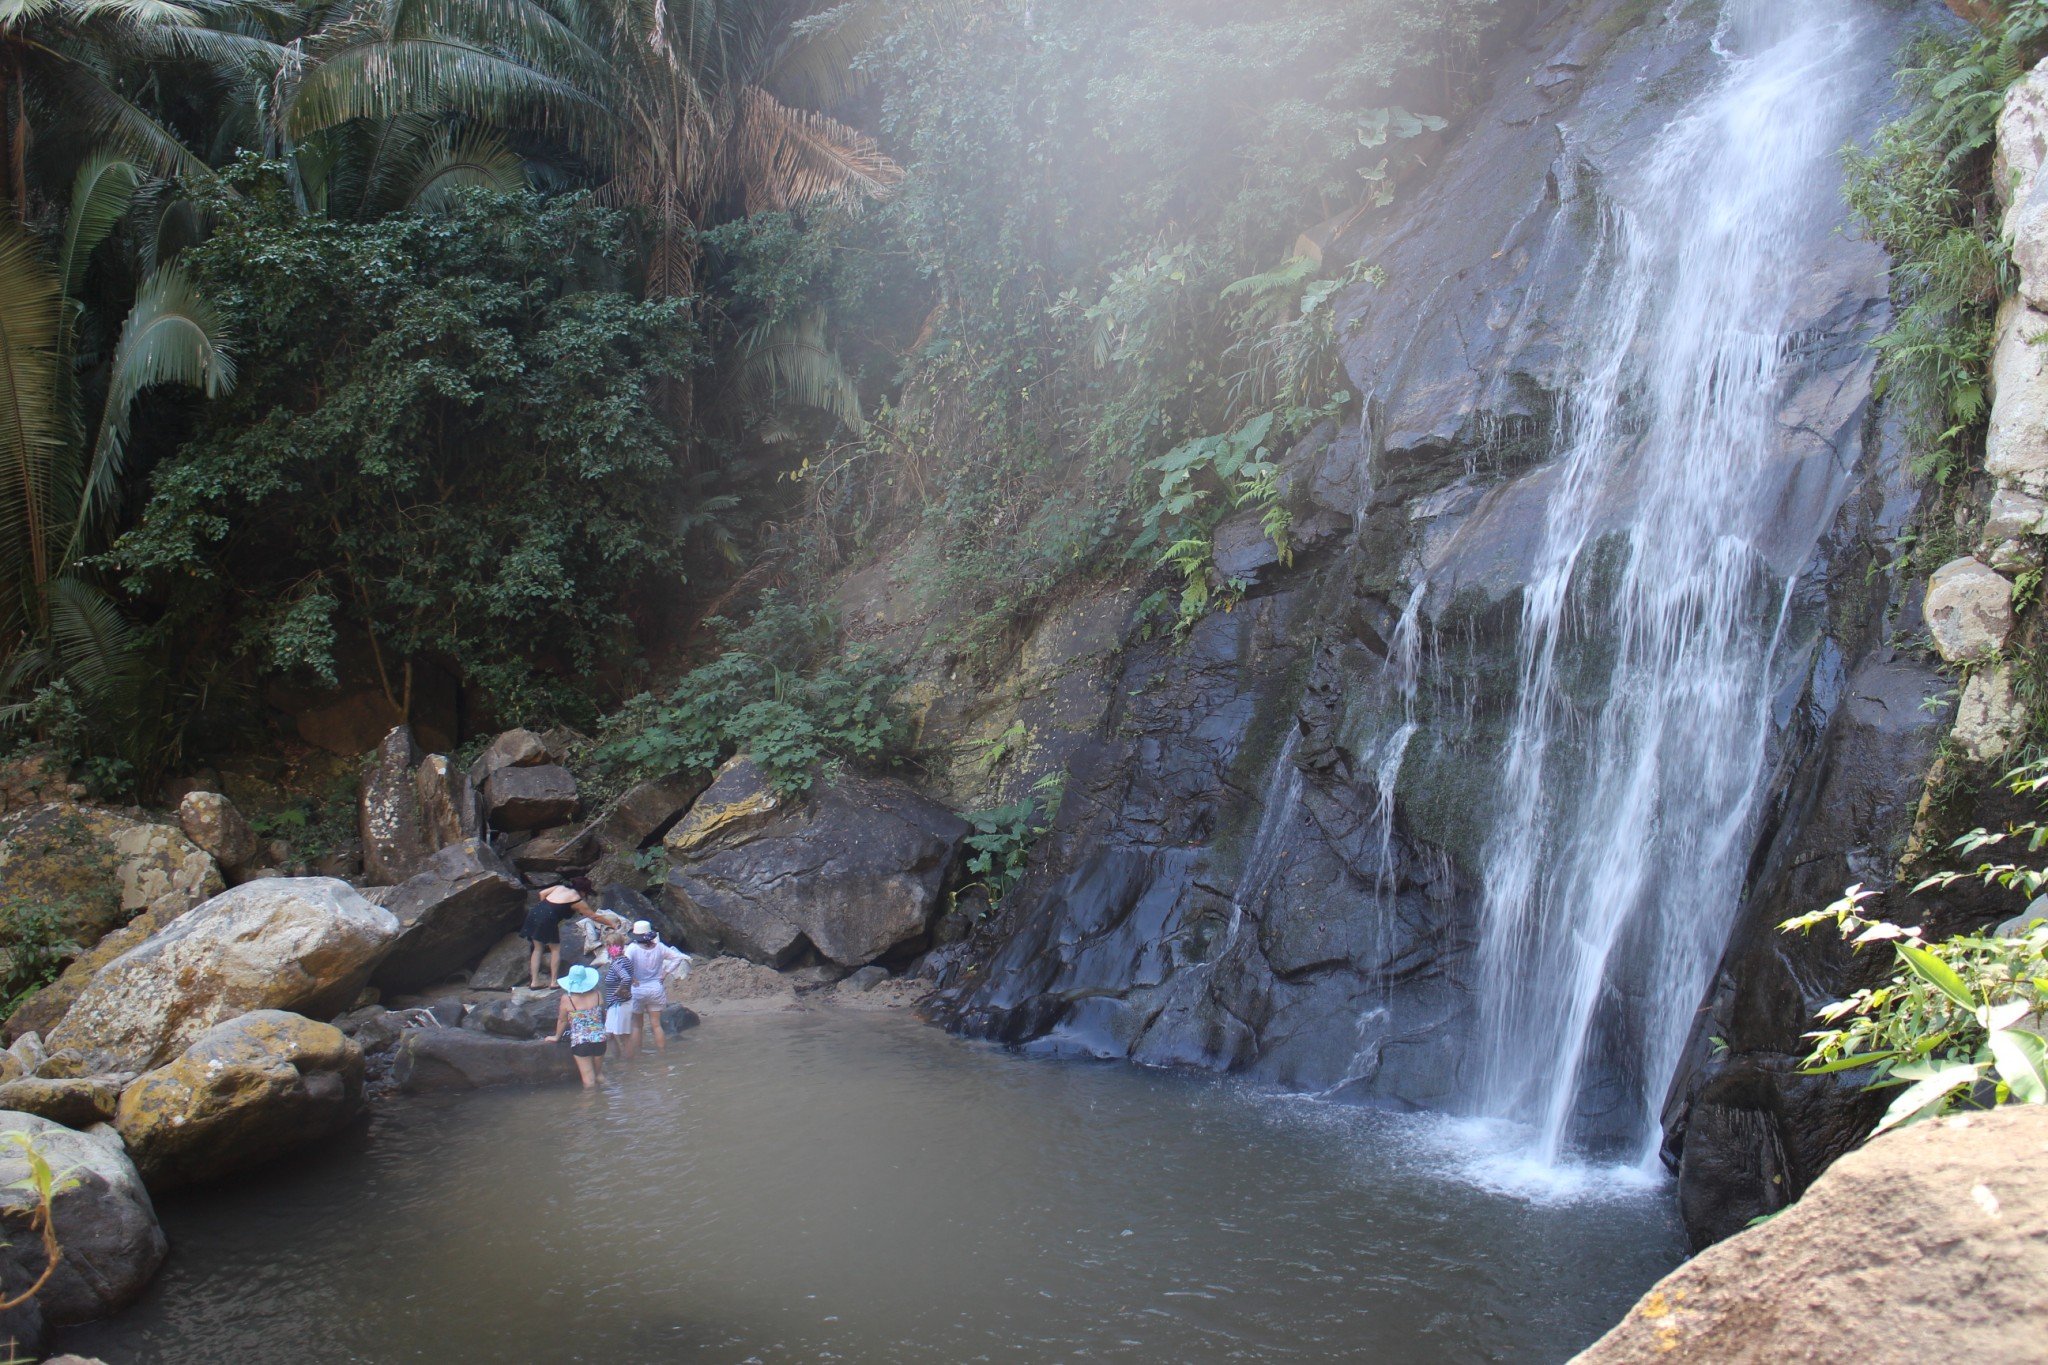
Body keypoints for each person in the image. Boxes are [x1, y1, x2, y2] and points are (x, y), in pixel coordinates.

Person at [521, 881, 606, 991]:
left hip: (536, 913)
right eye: (586, 894)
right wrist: (612, 923)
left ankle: (534, 982)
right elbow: (594, 917)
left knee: (537, 948)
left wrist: (546, 909)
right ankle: (553, 982)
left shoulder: (559, 887)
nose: (585, 896)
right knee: (555, 949)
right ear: (582, 892)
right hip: (548, 919)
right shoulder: (577, 899)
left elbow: (542, 893)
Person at [623, 919, 689, 1055]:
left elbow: (624, 965)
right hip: (656, 988)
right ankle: (662, 1053)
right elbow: (678, 957)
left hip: (637, 989)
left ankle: (638, 1055)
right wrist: (665, 973)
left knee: (637, 1026)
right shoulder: (659, 947)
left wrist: (632, 978)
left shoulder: (632, 948)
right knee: (656, 1025)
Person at [546, 964, 609, 1087]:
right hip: (600, 1039)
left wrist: (556, 1037)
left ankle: (590, 1105)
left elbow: (562, 1020)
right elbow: (603, 1014)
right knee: (599, 1076)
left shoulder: (567, 999)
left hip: (581, 1042)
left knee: (589, 1082)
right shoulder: (597, 994)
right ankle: (611, 1102)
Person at [599, 931, 637, 1060]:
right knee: (610, 1035)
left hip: (619, 1004)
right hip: (617, 1004)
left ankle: (628, 1064)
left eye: (609, 945)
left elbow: (626, 978)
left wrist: (620, 990)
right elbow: (630, 977)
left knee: (623, 1036)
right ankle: (620, 1060)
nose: (608, 948)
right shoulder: (625, 960)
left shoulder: (617, 964)